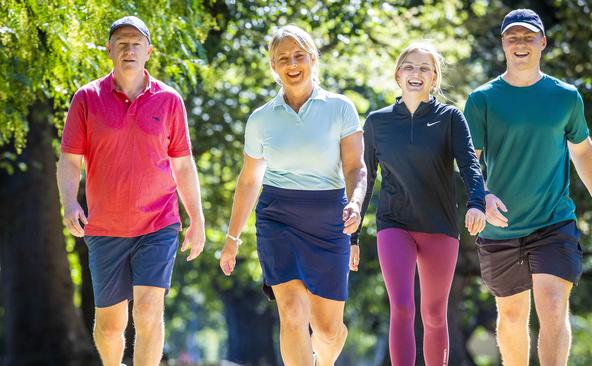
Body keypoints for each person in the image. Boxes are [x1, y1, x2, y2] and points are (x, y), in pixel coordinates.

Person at [464, 9, 592, 366]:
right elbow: (469, 158)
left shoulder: (565, 97)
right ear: (503, 43)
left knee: (551, 306)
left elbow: (582, 151)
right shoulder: (482, 99)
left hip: (553, 222)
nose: (520, 43)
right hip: (501, 227)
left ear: (542, 43)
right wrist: (481, 196)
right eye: (513, 37)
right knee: (513, 317)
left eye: (528, 36)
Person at [57, 16, 205, 366]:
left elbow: (183, 165)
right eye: (121, 42)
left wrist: (196, 218)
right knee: (110, 326)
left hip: (158, 223)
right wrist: (68, 202)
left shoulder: (169, 100)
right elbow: (68, 160)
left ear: (148, 51)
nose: (129, 49)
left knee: (149, 308)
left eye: (136, 43)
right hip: (105, 227)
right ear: (109, 50)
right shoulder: (87, 99)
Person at [218, 25, 366, 366]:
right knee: (290, 310)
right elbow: (250, 180)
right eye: (283, 58)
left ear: (313, 60)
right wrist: (232, 238)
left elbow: (356, 167)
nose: (292, 63)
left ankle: (324, 361)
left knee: (328, 331)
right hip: (278, 215)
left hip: (329, 217)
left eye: (299, 55)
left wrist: (356, 201)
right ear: (273, 66)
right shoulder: (260, 119)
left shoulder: (341, 108)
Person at [353, 43, 486, 366]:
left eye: (425, 68)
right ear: (398, 75)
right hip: (393, 224)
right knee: (401, 307)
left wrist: (477, 203)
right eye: (410, 67)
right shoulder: (376, 123)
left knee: (434, 314)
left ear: (434, 78)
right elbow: (365, 178)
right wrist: (352, 237)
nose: (416, 73)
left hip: (439, 226)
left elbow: (469, 164)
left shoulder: (450, 118)